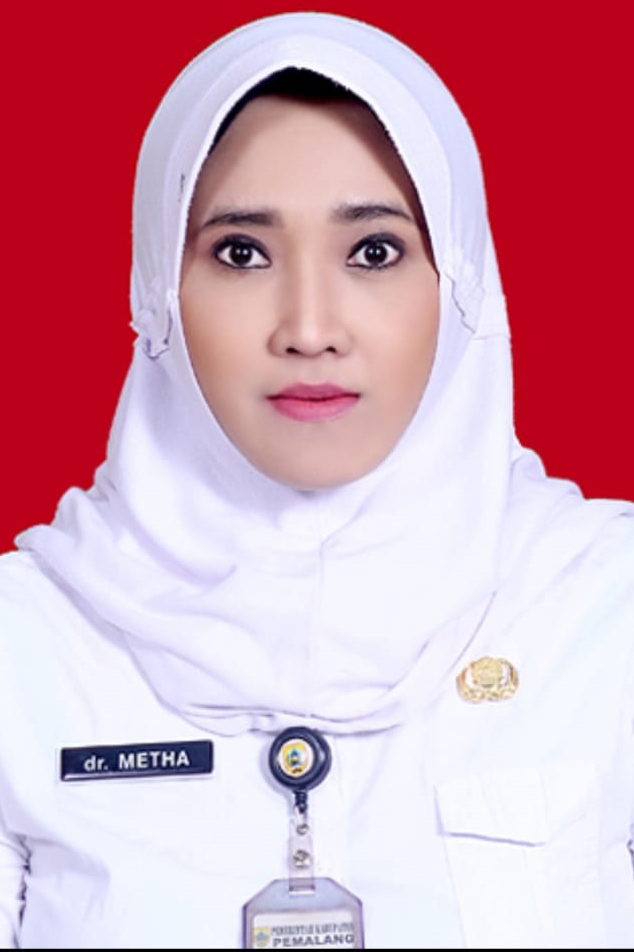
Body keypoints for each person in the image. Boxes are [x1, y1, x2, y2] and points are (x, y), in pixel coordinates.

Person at [0, 10, 633, 949]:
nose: (308, 328)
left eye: (373, 251)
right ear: (159, 292)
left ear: (461, 283)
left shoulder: (606, 610)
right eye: (241, 253)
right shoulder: (26, 647)